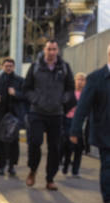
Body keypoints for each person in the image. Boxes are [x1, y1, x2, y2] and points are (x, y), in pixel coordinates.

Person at [23, 40, 76, 190]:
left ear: (58, 50)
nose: (52, 52)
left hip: (56, 113)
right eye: (49, 49)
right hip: (37, 112)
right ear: (44, 50)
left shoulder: (64, 68)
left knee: (55, 147)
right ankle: (33, 170)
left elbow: (70, 89)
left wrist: (62, 101)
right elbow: (26, 88)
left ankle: (50, 178)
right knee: (34, 142)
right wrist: (36, 99)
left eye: (54, 49)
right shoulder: (35, 67)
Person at [70, 44, 110, 203]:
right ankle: (108, 199)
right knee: (108, 165)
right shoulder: (96, 78)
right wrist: (75, 129)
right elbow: (83, 106)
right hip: (105, 132)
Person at [0, 58, 26, 176]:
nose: (8, 68)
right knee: (0, 141)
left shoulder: (20, 81)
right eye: (6, 66)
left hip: (14, 115)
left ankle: (12, 166)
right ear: (2, 67)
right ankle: (1, 166)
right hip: (0, 114)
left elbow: (26, 96)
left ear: (14, 67)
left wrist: (15, 94)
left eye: (10, 66)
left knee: (13, 141)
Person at [62, 72, 86, 176]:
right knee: (69, 145)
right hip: (68, 121)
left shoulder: (87, 93)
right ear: (74, 81)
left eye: (82, 80)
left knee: (79, 147)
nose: (80, 82)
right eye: (78, 79)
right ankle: (66, 165)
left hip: (80, 123)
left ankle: (75, 170)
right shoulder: (68, 92)